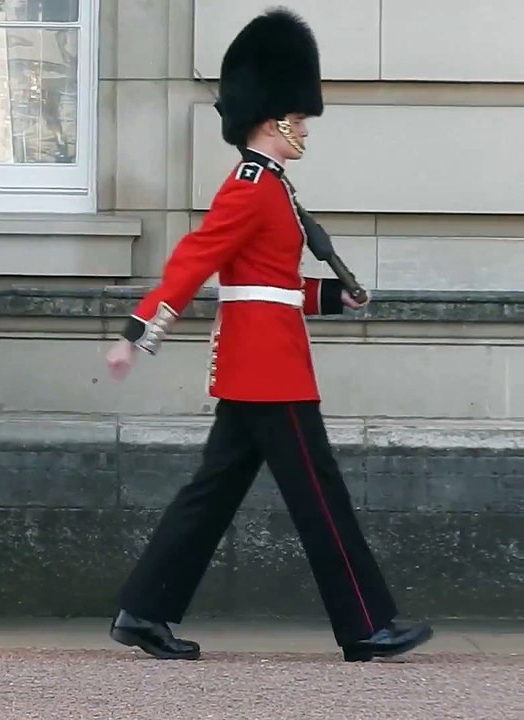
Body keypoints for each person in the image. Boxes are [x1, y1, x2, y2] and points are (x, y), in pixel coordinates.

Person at [103, 8, 433, 663]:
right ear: (274, 117)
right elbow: (194, 260)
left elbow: (272, 286)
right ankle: (365, 625)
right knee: (321, 495)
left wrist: (335, 297)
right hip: (269, 370)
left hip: (264, 361)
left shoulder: (274, 188)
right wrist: (139, 331)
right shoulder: (252, 188)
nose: (305, 127)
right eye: (300, 117)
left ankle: (144, 611)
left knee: (212, 493)